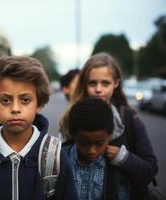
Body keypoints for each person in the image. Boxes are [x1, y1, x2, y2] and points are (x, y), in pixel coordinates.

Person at [0, 55, 78, 200]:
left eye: (25, 100)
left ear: (39, 104)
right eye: (5, 100)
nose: (15, 109)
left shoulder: (54, 155)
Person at [60, 52, 158, 200]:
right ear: (84, 84)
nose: (98, 89)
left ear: (116, 83)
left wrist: (123, 157)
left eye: (105, 83)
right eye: (92, 83)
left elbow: (150, 169)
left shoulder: (129, 118)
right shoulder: (72, 116)